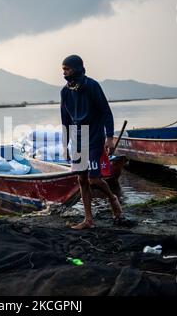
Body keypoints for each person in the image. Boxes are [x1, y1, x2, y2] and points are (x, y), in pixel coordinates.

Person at [60, 54, 126, 230]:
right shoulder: (65, 92)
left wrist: (110, 137)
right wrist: (65, 144)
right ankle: (88, 220)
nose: (64, 72)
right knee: (82, 179)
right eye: (63, 69)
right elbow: (65, 120)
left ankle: (113, 199)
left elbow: (106, 111)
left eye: (67, 69)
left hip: (95, 136)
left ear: (77, 68)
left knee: (94, 179)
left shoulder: (92, 86)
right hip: (77, 138)